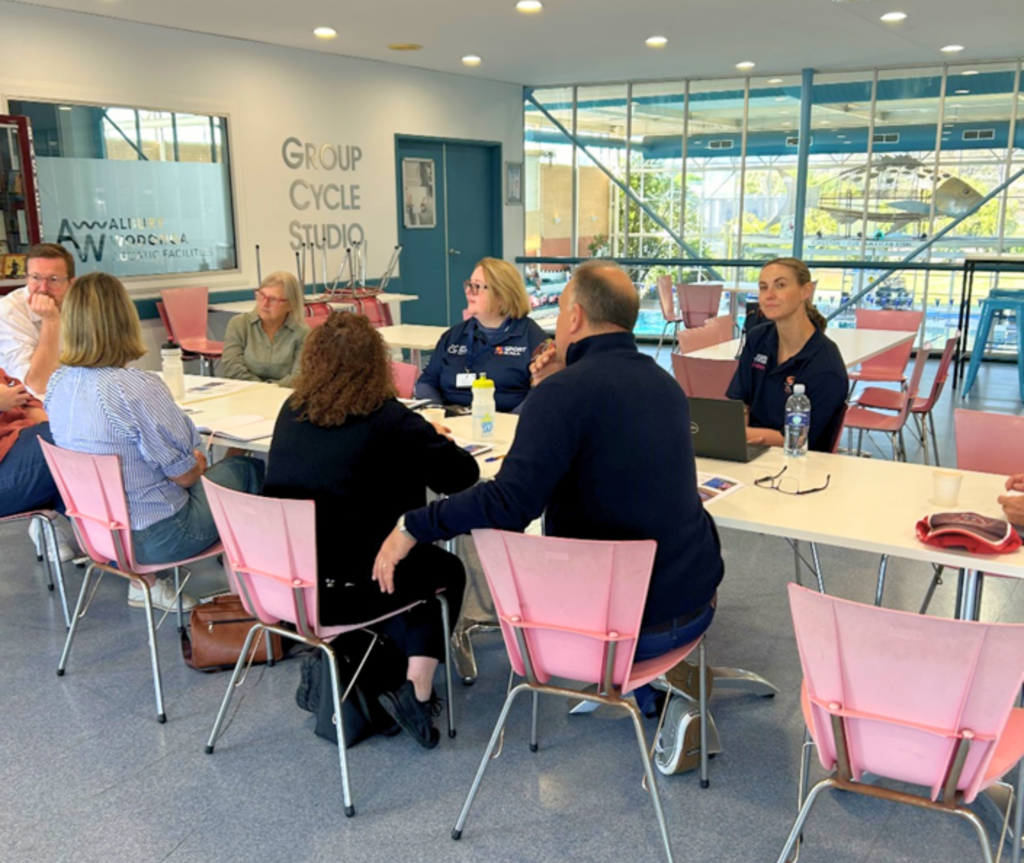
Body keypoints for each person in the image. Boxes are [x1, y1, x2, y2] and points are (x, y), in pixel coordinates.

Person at [376, 261, 725, 772]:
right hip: (696, 605)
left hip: (614, 630)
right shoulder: (666, 384)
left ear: (576, 317)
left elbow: (509, 506)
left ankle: (638, 687)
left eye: (560, 312)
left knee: (562, 561)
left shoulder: (562, 396)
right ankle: (658, 696)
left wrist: (413, 525)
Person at [263, 312, 479, 749]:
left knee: (411, 562)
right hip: (359, 587)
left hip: (290, 585)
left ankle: (364, 666)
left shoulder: (292, 409)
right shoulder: (389, 420)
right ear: (375, 364)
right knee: (445, 571)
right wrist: (435, 438)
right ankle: (415, 691)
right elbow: (461, 476)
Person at [44, 272, 264, 611]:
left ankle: (151, 586)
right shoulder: (135, 387)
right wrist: (195, 465)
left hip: (98, 534)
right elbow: (187, 474)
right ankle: (259, 603)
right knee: (248, 470)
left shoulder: (57, 384)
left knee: (210, 476)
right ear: (124, 320)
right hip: (160, 537)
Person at [727, 257, 848, 453]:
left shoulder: (825, 365)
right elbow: (740, 403)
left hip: (799, 465)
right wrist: (738, 443)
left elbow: (795, 438)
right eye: (763, 287)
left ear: (805, 291)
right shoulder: (758, 338)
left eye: (780, 285)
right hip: (751, 453)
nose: (769, 295)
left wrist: (735, 434)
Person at [414, 258, 548, 413]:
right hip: (452, 426)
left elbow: (542, 394)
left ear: (501, 295)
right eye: (468, 284)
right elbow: (427, 381)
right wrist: (435, 413)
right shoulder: (453, 336)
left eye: (476, 286)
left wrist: (508, 424)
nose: (468, 291)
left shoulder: (534, 339)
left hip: (505, 427)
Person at [0, 366, 77, 560]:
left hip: (20, 450)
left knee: (73, 440)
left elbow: (23, 398)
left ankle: (133, 565)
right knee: (68, 444)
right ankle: (137, 569)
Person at [0, 243, 76, 396]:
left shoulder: (80, 305)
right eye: (35, 278)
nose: (43, 288)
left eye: (53, 279)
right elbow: (37, 385)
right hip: (30, 404)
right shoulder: (9, 312)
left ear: (70, 283)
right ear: (26, 278)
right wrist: (50, 321)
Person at [220, 271, 309, 386]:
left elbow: (299, 375)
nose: (264, 303)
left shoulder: (303, 333)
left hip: (284, 395)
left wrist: (272, 390)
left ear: (290, 305)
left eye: (273, 299)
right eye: (261, 295)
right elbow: (232, 367)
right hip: (244, 392)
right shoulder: (239, 324)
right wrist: (261, 389)